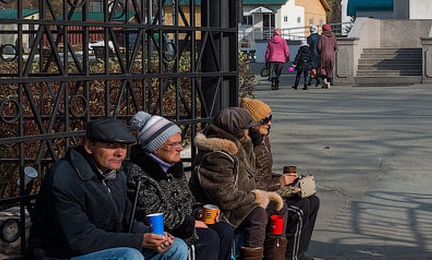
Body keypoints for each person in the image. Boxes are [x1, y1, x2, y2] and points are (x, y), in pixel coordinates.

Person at [28, 117, 189, 260]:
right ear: (89, 146)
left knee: (177, 247)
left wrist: (154, 236)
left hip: (107, 246)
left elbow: (127, 218)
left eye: (123, 146)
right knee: (130, 256)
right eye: (111, 146)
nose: (120, 153)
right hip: (63, 254)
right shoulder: (64, 179)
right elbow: (80, 240)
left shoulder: (115, 172)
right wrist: (139, 240)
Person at [125, 112, 235, 260]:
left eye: (180, 143)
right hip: (165, 229)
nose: (180, 149)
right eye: (173, 144)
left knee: (225, 230)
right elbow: (153, 213)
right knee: (208, 238)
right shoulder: (138, 173)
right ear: (155, 147)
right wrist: (190, 222)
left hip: (184, 220)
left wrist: (197, 211)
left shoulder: (173, 166)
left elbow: (187, 199)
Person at [191, 108, 284, 260]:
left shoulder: (242, 145)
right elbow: (225, 197)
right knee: (258, 214)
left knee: (279, 207)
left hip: (241, 200)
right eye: (247, 128)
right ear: (238, 130)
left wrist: (268, 191)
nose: (249, 131)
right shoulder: (216, 155)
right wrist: (254, 197)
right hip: (221, 210)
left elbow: (256, 175)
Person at [241, 98, 321, 260]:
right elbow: (251, 183)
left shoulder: (263, 139)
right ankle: (291, 256)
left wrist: (287, 180)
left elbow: (265, 174)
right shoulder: (247, 144)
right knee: (299, 209)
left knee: (313, 201)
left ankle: (300, 252)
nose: (269, 123)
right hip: (256, 197)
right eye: (264, 120)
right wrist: (280, 182)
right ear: (253, 123)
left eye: (270, 118)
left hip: (268, 188)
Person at [315, 23, 336, 88]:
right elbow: (335, 46)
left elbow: (319, 47)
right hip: (331, 54)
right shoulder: (333, 36)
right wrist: (333, 51)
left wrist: (319, 52)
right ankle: (328, 82)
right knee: (330, 68)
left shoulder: (322, 37)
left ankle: (324, 80)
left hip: (323, 54)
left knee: (322, 67)